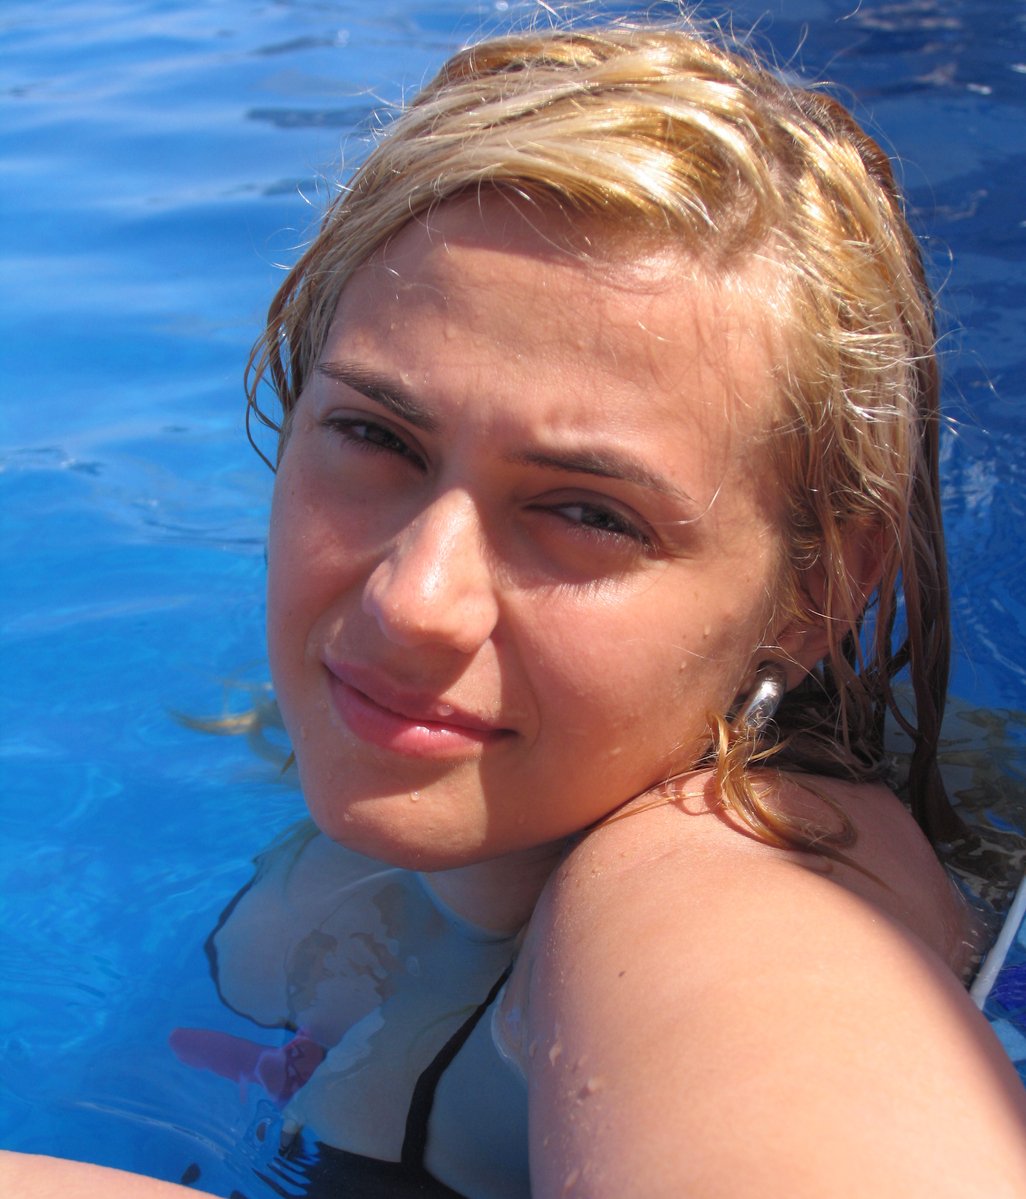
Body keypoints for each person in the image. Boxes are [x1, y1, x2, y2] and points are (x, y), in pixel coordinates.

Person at [4, 17, 1026, 1198]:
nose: (411, 603)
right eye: (376, 434)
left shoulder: (725, 887)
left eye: (589, 513)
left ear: (817, 596)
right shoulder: (393, 778)